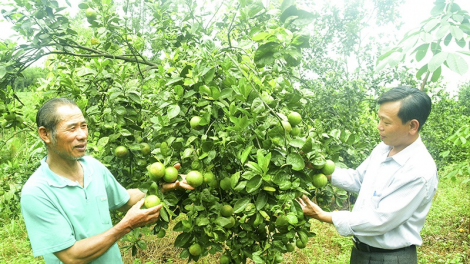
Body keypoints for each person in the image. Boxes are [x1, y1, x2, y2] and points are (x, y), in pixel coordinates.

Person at [21, 97, 192, 264]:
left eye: (84, 126)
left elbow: (125, 199)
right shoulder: (37, 192)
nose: (82, 135)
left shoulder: (93, 167)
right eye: (72, 128)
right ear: (45, 134)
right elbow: (72, 256)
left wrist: (161, 186)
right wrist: (126, 225)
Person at [298, 86, 438, 263]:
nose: (379, 127)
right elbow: (359, 179)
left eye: (386, 123)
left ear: (412, 125)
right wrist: (321, 171)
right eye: (379, 119)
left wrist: (324, 215)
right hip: (361, 252)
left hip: (390, 258)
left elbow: (380, 220)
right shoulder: (383, 148)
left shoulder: (419, 170)